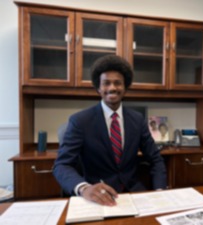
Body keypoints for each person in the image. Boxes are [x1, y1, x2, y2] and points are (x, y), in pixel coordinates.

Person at [53, 55, 167, 206]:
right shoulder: (80, 121)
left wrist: (160, 191)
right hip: (97, 196)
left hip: (134, 194)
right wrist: (84, 188)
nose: (112, 88)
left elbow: (155, 159)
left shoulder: (137, 120)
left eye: (118, 83)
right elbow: (62, 165)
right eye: (106, 83)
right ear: (98, 88)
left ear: (125, 87)